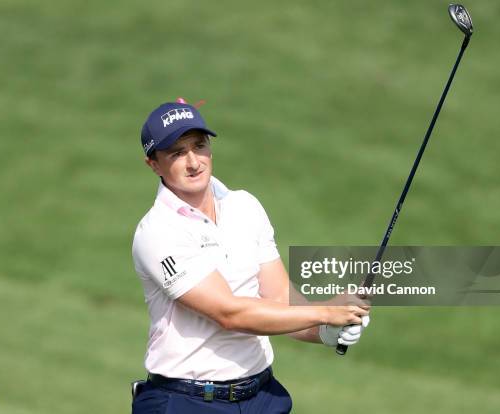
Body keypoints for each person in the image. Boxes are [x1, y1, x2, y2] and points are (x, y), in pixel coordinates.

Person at [131, 100, 370, 414]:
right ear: (154, 164)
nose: (193, 162)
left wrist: (326, 331)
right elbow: (230, 314)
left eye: (199, 146)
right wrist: (326, 312)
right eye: (177, 153)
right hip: (186, 401)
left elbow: (279, 298)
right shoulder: (158, 232)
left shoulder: (244, 206)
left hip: (262, 397)